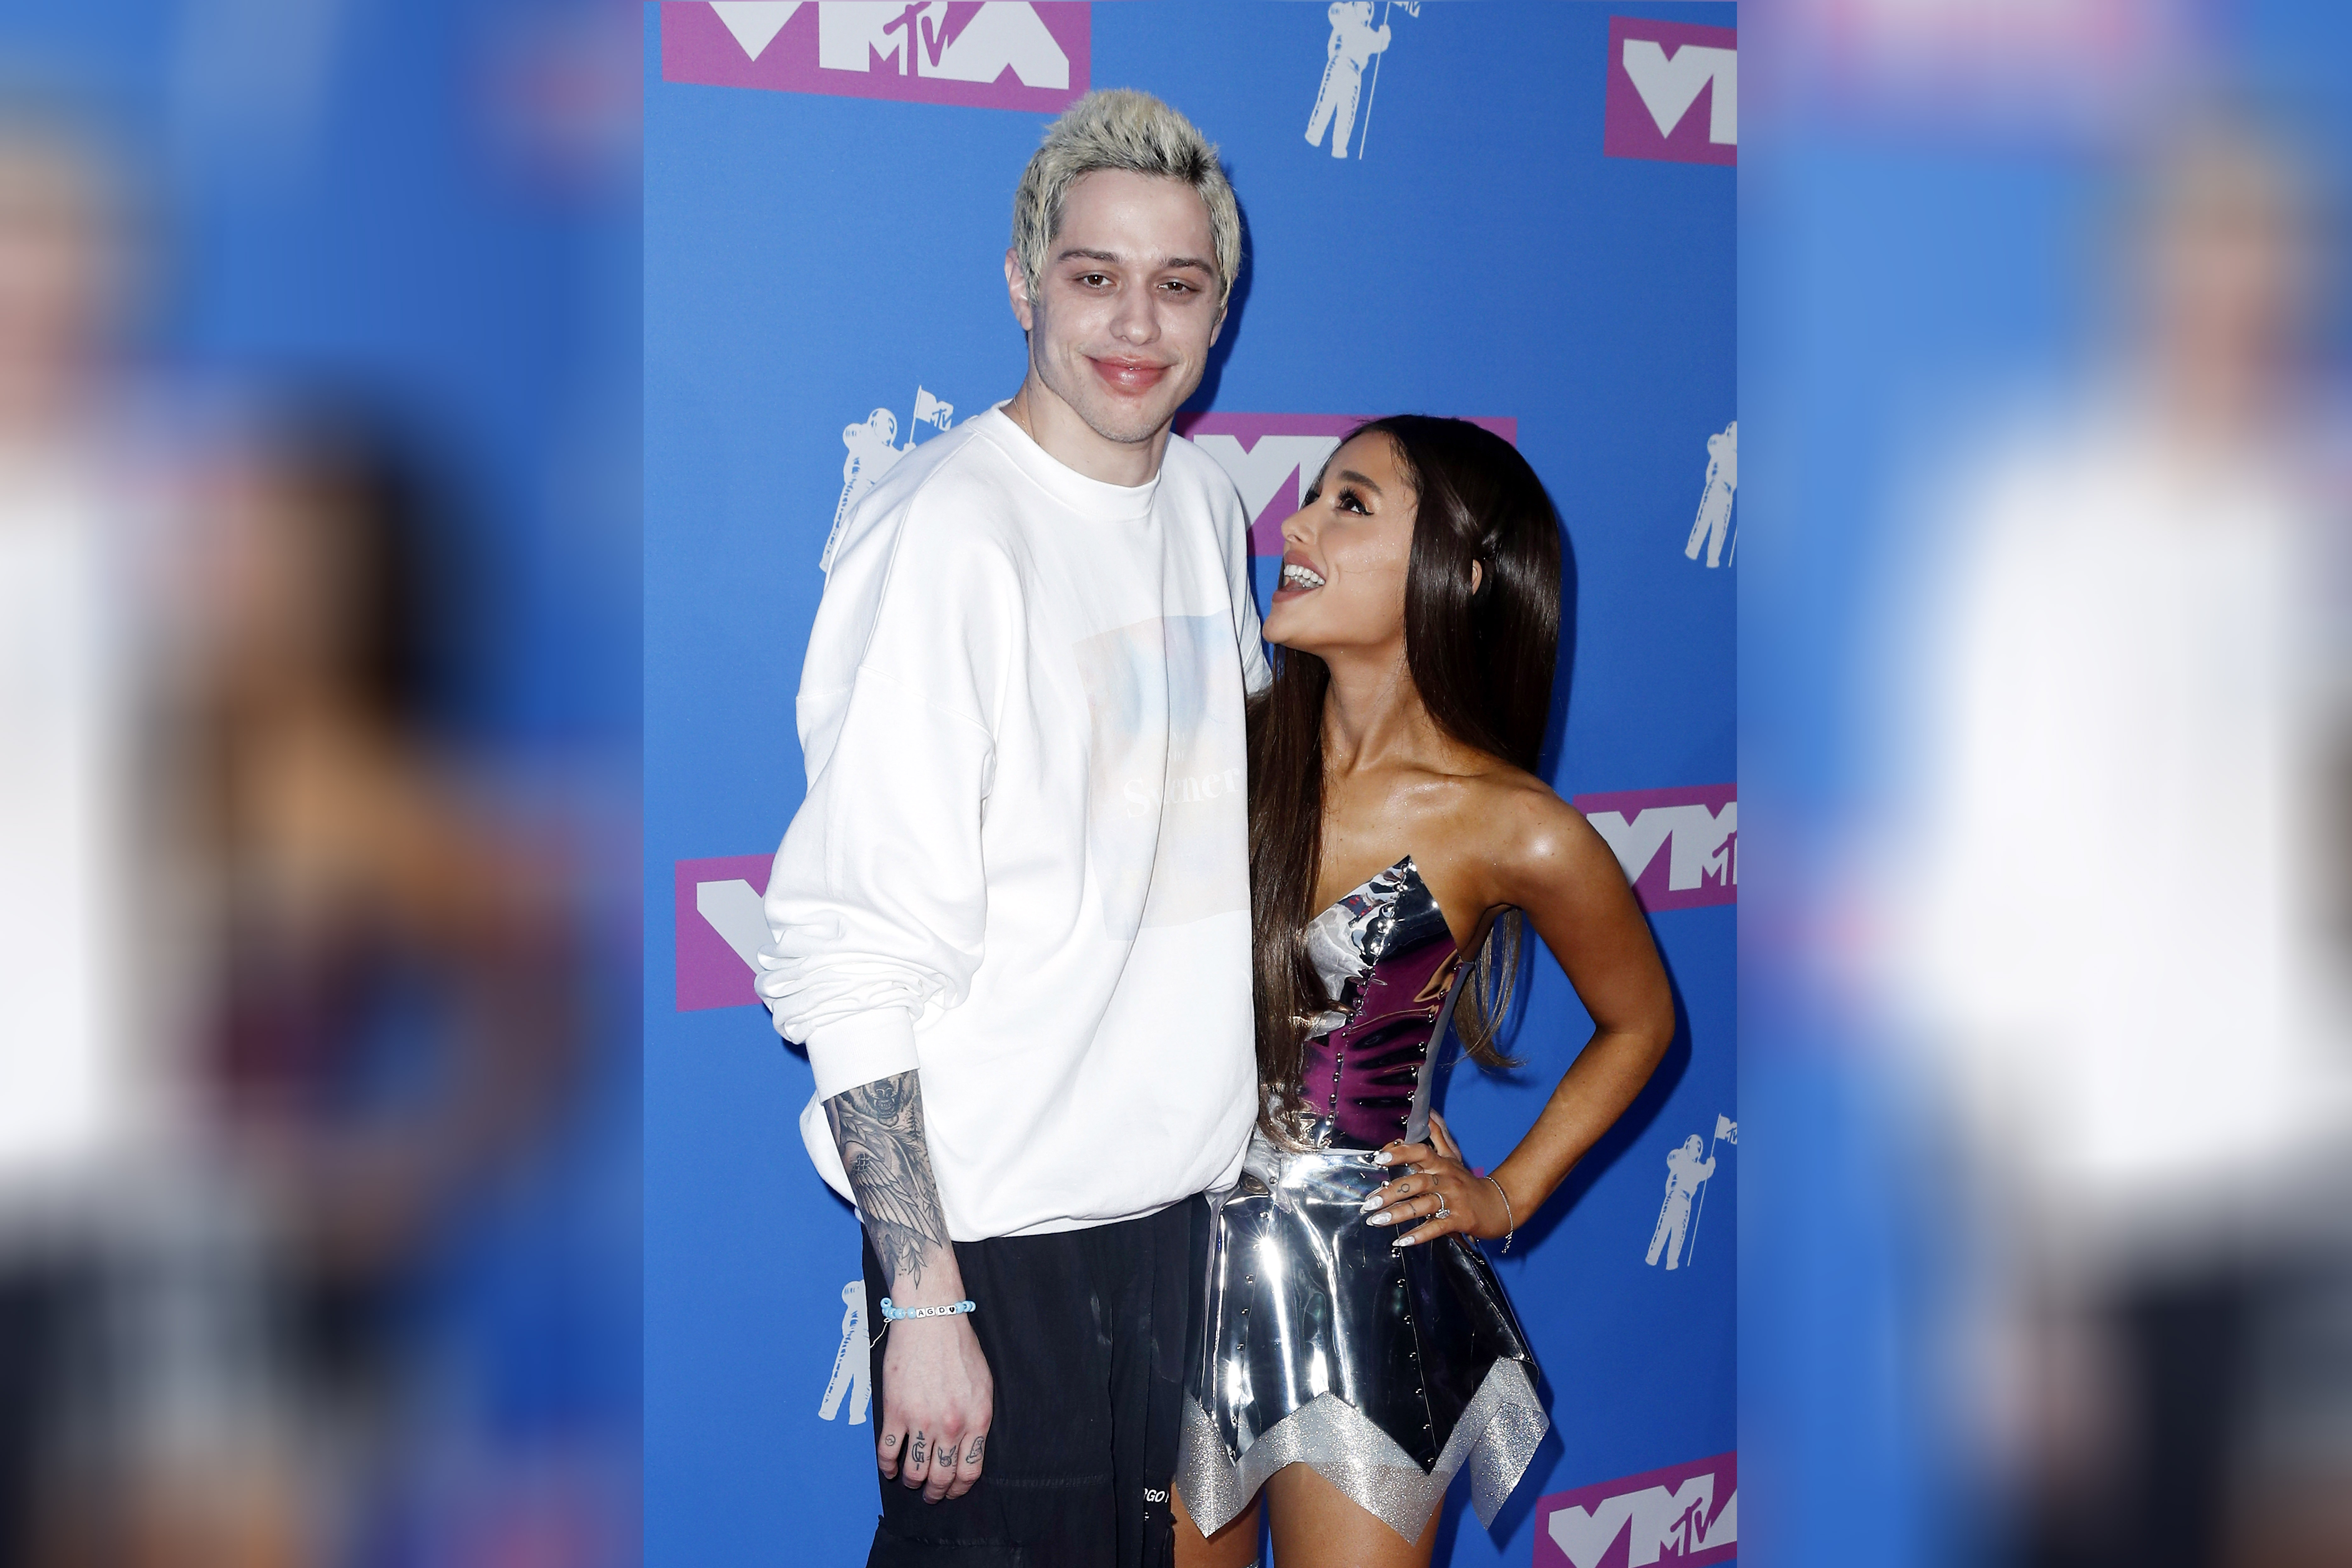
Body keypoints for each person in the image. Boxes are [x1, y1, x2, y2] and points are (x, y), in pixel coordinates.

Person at [755, 89, 1266, 1567]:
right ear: (1021, 281)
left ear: (1219, 313)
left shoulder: (1211, 504)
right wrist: (924, 1298)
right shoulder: (944, 534)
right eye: (1094, 276)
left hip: (1180, 1222)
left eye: (1178, 287)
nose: (1135, 324)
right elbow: (849, 946)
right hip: (994, 1247)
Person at [1172, 417, 1676, 1567]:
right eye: (1309, 497)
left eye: (1349, 503)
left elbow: (1640, 1021)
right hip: (1173, 1258)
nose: (1293, 525)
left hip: (1369, 1286)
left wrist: (1506, 1196)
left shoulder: (1515, 827)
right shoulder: (1216, 759)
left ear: (1463, 567)